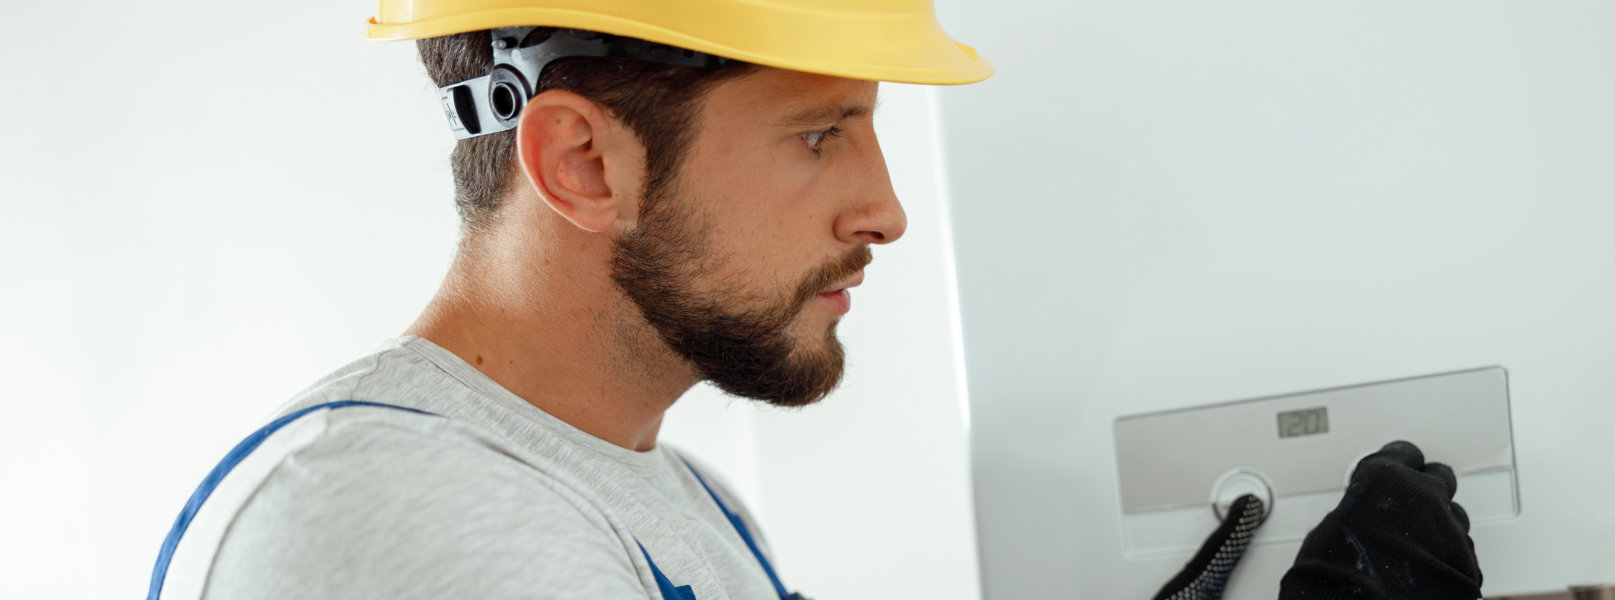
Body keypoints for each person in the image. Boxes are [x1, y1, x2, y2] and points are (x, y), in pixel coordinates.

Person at [146, 2, 1477, 599]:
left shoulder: (654, 493)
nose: (885, 208)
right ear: (581, 160)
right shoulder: (409, 527)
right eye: (821, 133)